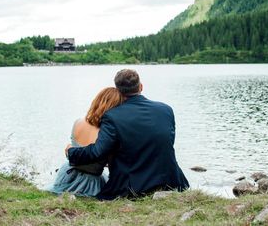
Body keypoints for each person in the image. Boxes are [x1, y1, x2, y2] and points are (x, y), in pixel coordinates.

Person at [66, 69, 189, 200]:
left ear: (118, 91)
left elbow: (97, 152)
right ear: (141, 86)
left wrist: (72, 152)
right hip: (171, 181)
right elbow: (164, 144)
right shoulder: (166, 110)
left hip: (133, 188)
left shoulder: (112, 116)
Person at [47, 87, 124, 197]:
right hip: (90, 182)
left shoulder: (78, 122)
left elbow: (72, 149)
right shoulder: (108, 134)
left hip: (67, 174)